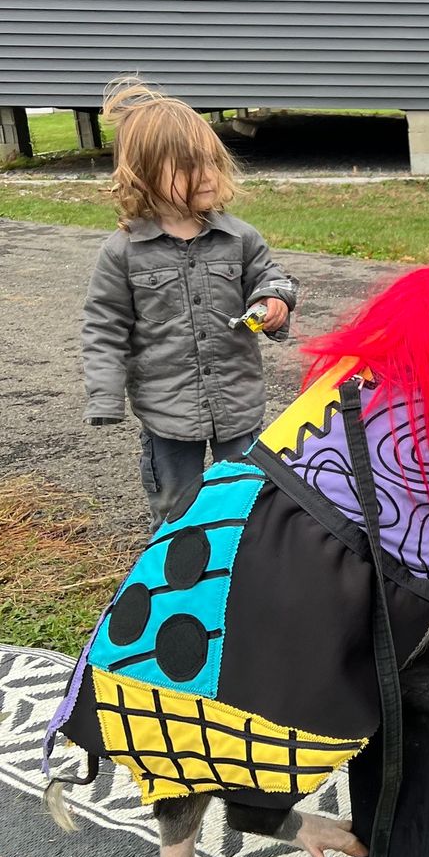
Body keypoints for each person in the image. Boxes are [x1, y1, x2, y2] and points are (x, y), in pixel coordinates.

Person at [82, 77, 297, 528]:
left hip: (236, 401)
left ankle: (236, 564)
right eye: (185, 167)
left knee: (242, 495)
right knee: (175, 503)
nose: (205, 175)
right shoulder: (122, 252)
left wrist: (273, 301)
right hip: (167, 409)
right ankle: (175, 569)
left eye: (210, 163)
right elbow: (105, 325)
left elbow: (273, 277)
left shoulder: (239, 238)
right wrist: (104, 395)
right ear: (142, 174)